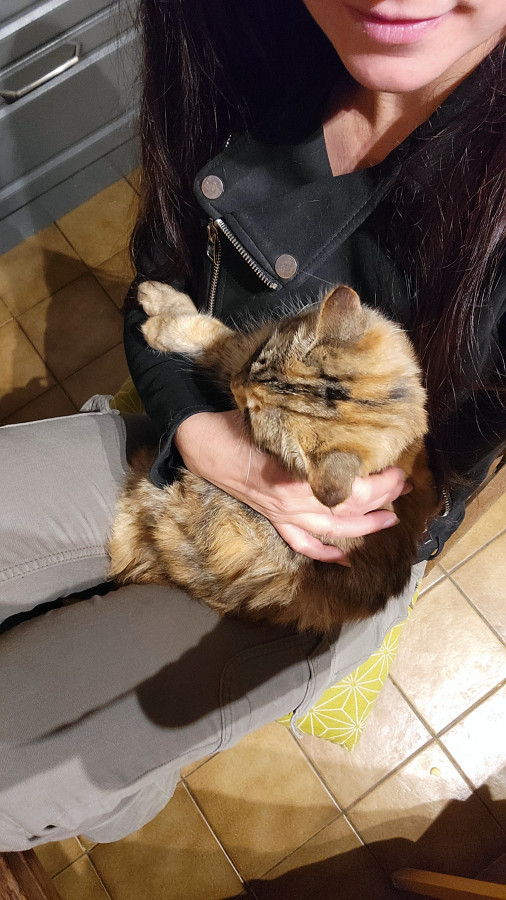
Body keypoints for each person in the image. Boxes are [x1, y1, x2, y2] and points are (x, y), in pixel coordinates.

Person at [0, 0, 504, 850]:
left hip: (314, 579)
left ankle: (118, 800)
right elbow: (159, 290)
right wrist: (205, 437)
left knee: (24, 774)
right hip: (192, 447)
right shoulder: (245, 39)